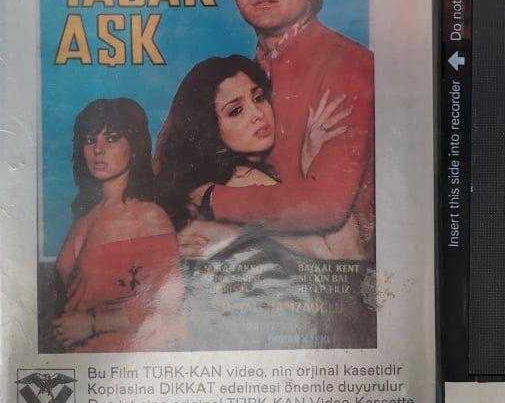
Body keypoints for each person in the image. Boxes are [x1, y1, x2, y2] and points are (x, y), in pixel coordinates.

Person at [182, 0, 375, 261]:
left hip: (340, 272)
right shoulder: (245, 76)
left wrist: (213, 199)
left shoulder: (347, 63)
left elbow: (325, 206)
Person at [157, 55, 375, 350]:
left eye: (258, 98)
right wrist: (311, 160)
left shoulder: (205, 184)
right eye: (236, 111)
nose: (258, 114)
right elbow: (344, 256)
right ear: (208, 128)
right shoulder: (241, 179)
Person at [52, 99, 183, 352]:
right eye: (90, 140)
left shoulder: (149, 217)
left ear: (134, 147)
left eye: (111, 139)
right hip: (78, 362)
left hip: (123, 360)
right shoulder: (84, 218)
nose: (98, 149)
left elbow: (170, 308)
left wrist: (93, 323)